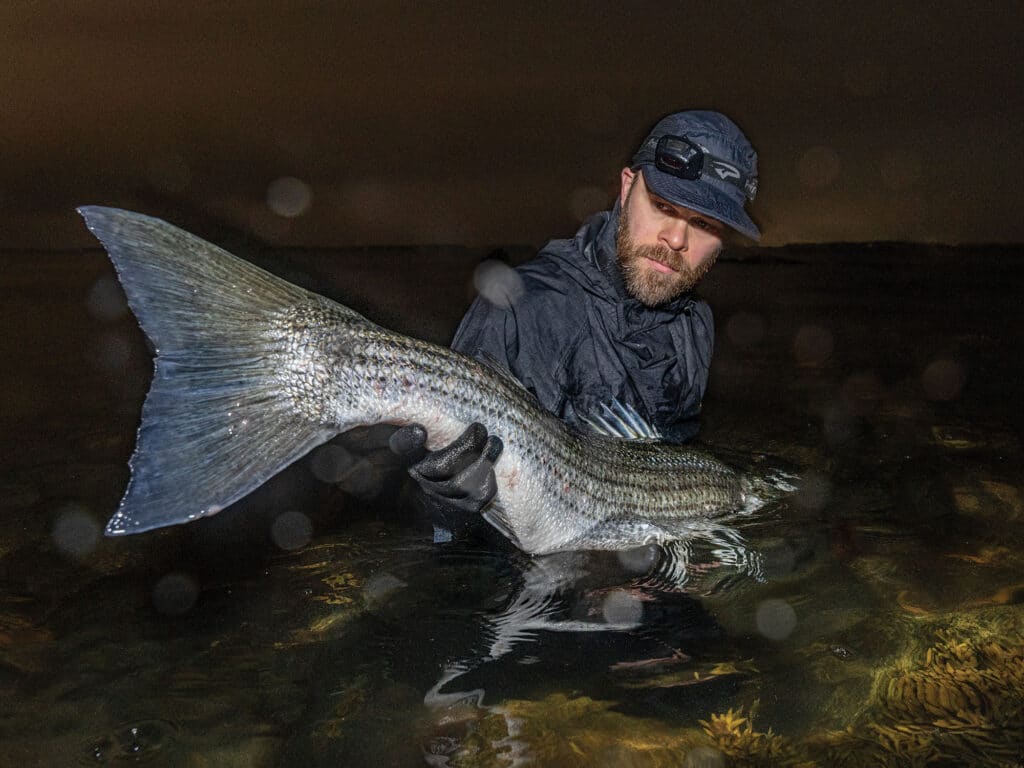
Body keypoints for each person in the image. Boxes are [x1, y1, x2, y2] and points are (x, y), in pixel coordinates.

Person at [390, 110, 760, 522]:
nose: (676, 239)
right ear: (626, 188)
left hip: (638, 550)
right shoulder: (520, 308)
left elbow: (677, 456)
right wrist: (440, 497)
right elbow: (434, 511)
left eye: (704, 224)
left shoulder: (696, 325)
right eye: (661, 206)